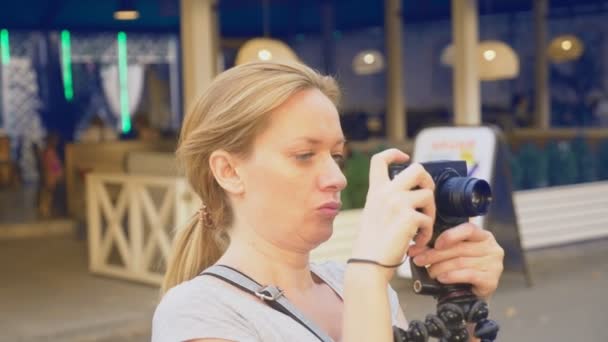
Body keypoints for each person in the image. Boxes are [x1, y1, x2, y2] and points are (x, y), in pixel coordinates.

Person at [152, 62, 504, 342]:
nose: (338, 178)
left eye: (336, 156)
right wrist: (367, 273)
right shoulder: (198, 312)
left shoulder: (344, 282)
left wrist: (463, 302)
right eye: (304, 155)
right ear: (228, 171)